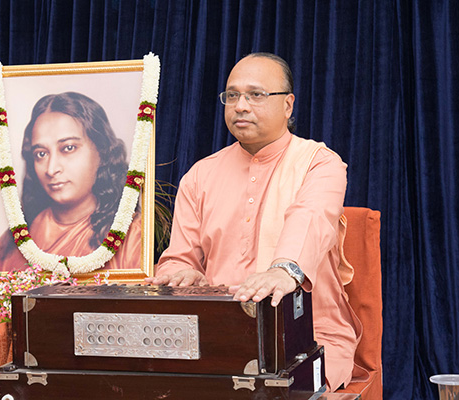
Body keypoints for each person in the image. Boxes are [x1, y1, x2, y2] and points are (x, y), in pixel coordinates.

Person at [146, 53, 363, 391]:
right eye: (232, 96)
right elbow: (179, 257)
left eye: (255, 95)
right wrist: (181, 274)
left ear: (288, 105)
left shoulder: (320, 164)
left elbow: (310, 217)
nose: (241, 106)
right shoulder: (200, 175)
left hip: (309, 340)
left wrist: (284, 270)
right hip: (217, 339)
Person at [0, 91, 141, 272]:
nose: (51, 169)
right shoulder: (14, 241)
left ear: (102, 152)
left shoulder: (131, 234)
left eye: (68, 148)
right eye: (41, 154)